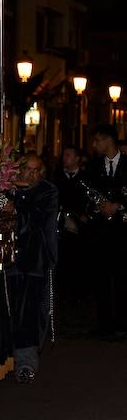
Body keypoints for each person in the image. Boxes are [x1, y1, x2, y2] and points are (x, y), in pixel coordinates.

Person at [8, 155, 59, 383]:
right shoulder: (8, 187)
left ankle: (26, 363)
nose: (30, 174)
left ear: (42, 173)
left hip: (34, 262)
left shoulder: (48, 191)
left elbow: (36, 220)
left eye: (36, 171)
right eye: (26, 169)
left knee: (29, 313)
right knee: (10, 311)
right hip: (9, 260)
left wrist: (21, 194)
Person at [85, 124, 127, 338]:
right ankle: (104, 323)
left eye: (97, 140)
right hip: (100, 231)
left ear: (108, 140)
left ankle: (121, 323)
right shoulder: (92, 167)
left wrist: (118, 205)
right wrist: (98, 207)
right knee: (101, 277)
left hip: (122, 231)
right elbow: (86, 196)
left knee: (121, 277)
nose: (94, 145)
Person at [54, 145, 87, 298]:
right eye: (64, 155)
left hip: (80, 228)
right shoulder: (57, 177)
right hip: (61, 226)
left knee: (78, 259)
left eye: (68, 155)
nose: (64, 158)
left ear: (77, 159)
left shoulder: (86, 177)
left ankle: (78, 291)